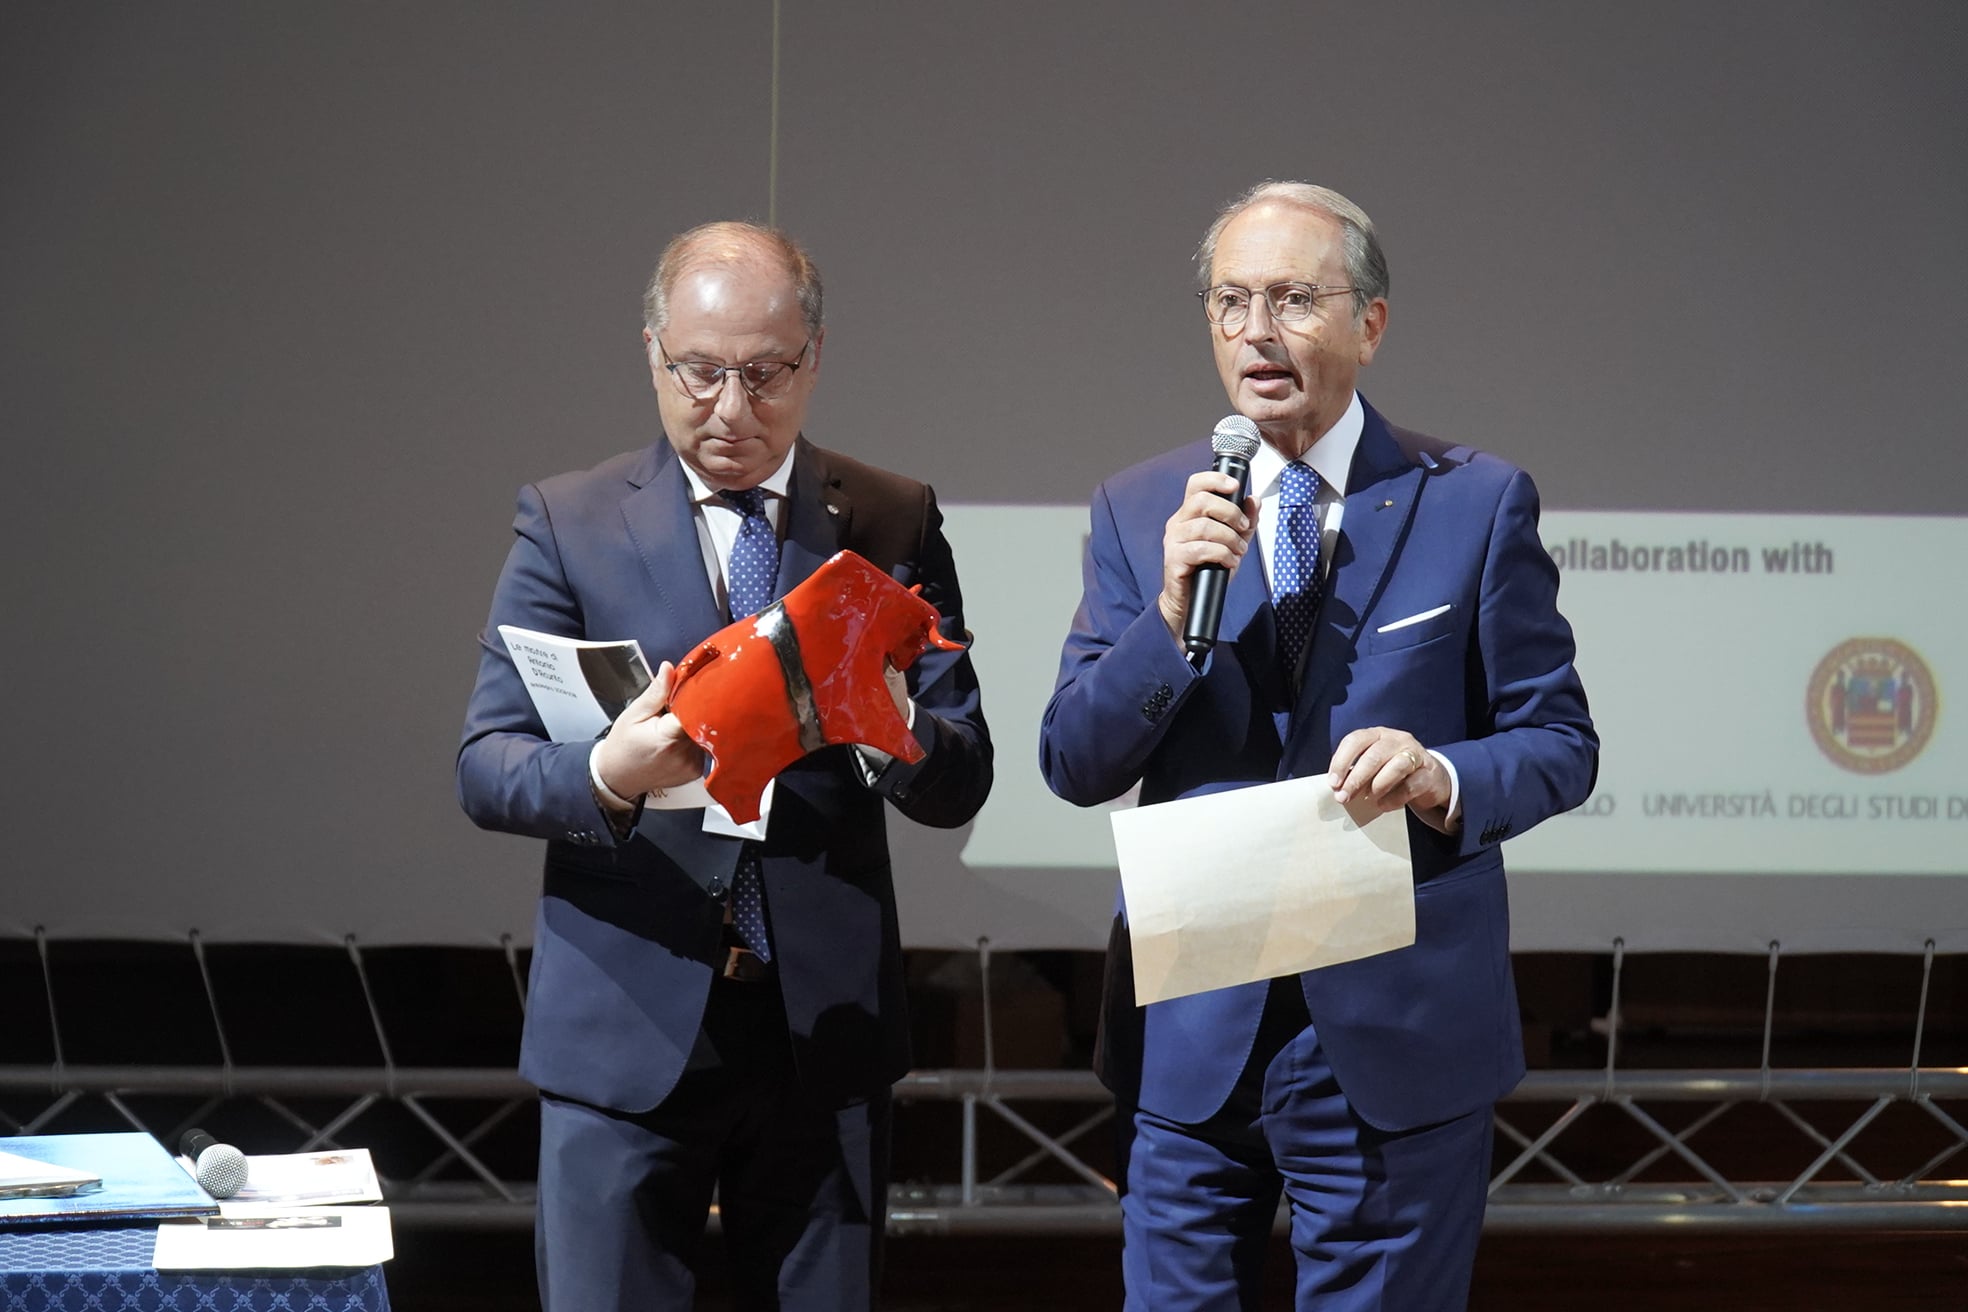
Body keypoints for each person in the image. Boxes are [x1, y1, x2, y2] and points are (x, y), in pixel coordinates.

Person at [1038, 182, 1597, 1310]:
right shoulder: (1140, 509)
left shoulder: (1475, 502)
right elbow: (1075, 760)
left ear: (1369, 324)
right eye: (1231, 300)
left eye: (1293, 298)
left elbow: (1558, 742)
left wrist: (1441, 774)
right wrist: (1169, 619)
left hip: (1396, 1031)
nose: (1257, 330)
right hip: (1193, 1033)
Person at [457, 220, 992, 1310]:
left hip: (821, 1031)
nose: (732, 409)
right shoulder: (571, 521)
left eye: (766, 373)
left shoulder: (891, 519)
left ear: (814, 357)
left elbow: (962, 773)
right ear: (653, 355)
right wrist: (609, 771)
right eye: (700, 372)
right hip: (625, 1025)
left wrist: (892, 731)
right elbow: (487, 764)